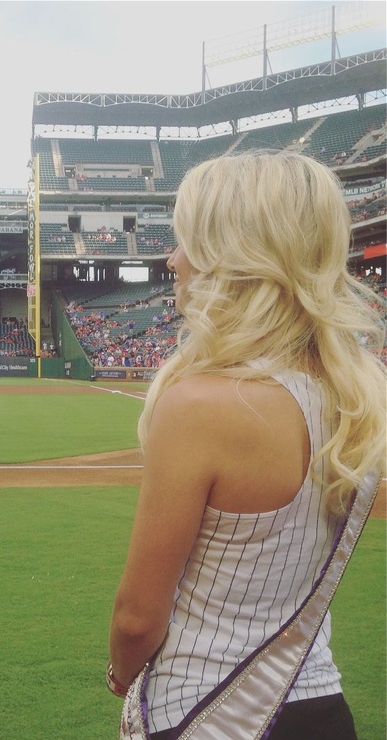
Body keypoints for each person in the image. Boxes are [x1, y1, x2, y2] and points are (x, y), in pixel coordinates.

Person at [108, 150, 385, 739]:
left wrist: (121, 672)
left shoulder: (201, 403)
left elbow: (137, 618)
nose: (172, 259)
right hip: (320, 704)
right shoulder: (358, 397)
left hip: (204, 708)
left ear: (230, 257)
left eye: (186, 242)